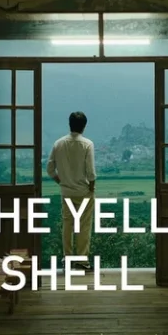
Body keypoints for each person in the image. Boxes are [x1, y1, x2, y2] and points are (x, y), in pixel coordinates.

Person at [46, 111, 96, 271]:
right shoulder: (87, 144)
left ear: (69, 124)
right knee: (84, 225)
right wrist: (91, 187)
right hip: (83, 192)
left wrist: (61, 181)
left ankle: (67, 259)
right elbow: (91, 172)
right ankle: (82, 261)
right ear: (84, 126)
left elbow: (50, 169)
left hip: (66, 191)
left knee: (67, 224)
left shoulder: (58, 144)